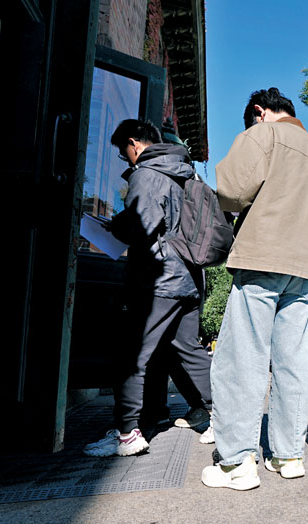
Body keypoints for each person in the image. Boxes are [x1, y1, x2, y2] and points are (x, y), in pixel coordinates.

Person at [201, 88, 308, 490]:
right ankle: (288, 455)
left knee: (243, 358)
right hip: (304, 266)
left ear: (259, 112)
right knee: (293, 363)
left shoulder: (263, 135)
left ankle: (237, 462)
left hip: (262, 257)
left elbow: (230, 191)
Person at [83, 119, 213, 457]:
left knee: (132, 356)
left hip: (159, 277)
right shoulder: (184, 172)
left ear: (133, 143)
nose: (125, 160)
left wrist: (116, 228)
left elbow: (145, 225)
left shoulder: (145, 172)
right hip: (189, 276)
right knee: (191, 351)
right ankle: (224, 417)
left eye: (122, 152)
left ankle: (127, 434)